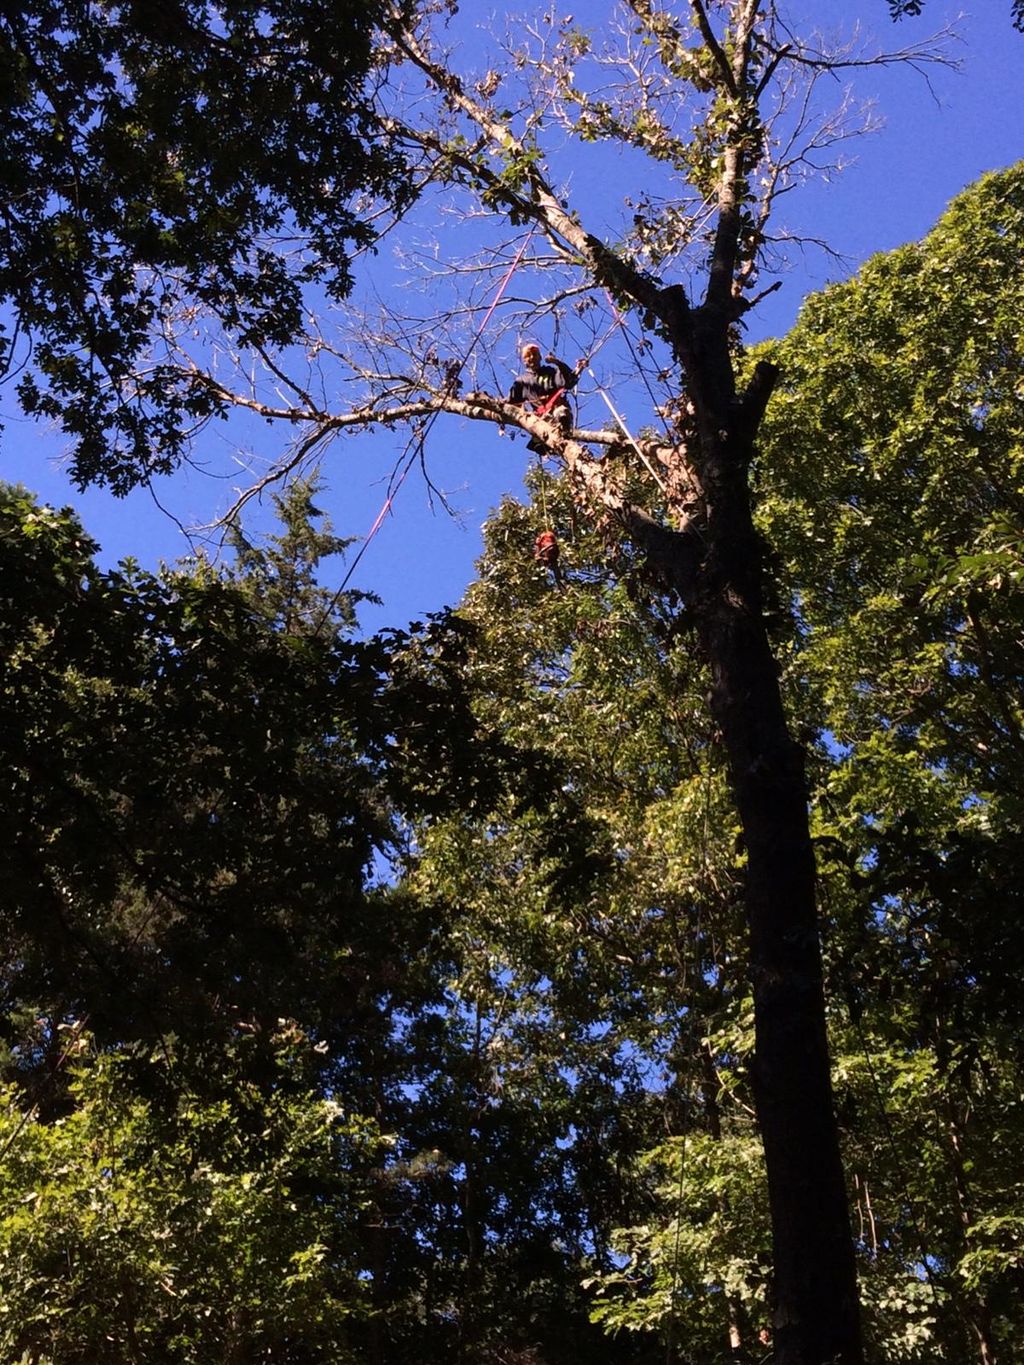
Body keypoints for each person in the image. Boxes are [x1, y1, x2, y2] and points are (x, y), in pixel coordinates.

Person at [508, 343, 580, 448]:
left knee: (562, 413)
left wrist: (557, 362)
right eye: (528, 356)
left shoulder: (550, 372)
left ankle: (564, 435)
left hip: (557, 410)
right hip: (541, 418)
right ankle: (544, 443)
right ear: (524, 361)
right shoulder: (522, 381)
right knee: (543, 438)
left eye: (534, 354)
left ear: (540, 357)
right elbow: (511, 401)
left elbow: (569, 381)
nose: (532, 357)